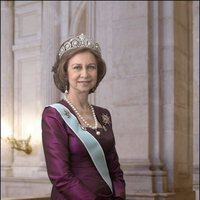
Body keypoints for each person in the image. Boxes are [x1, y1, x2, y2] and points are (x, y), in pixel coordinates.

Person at [41, 33, 126, 200]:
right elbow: (61, 176)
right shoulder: (54, 115)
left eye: (91, 67)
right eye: (77, 67)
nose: (85, 74)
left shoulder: (103, 115)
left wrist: (119, 196)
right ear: (65, 72)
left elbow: (115, 169)